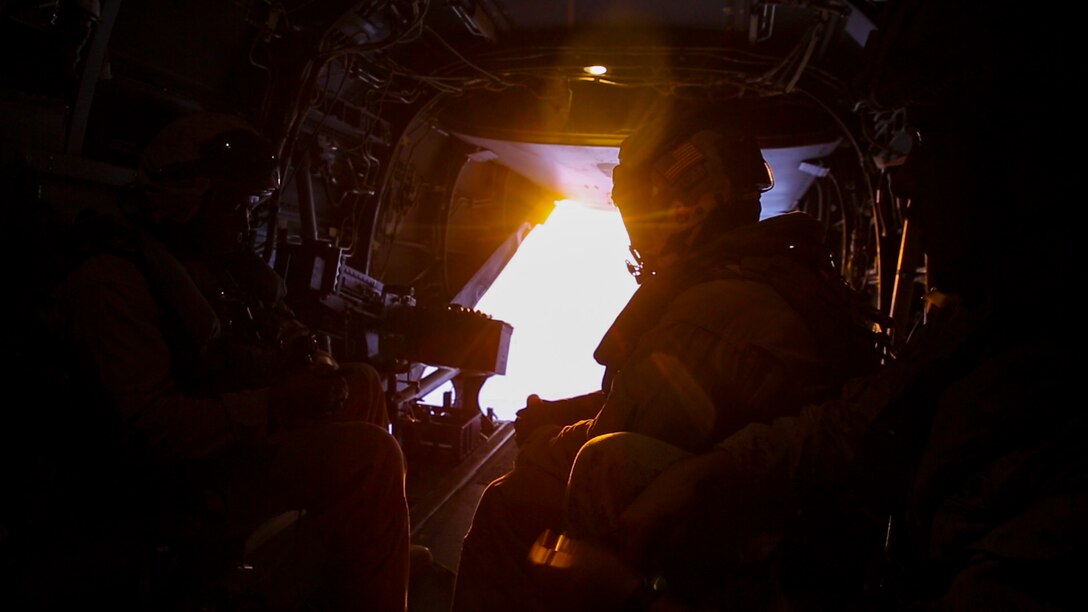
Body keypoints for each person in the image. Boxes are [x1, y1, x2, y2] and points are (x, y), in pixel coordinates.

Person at [526, 1, 1085, 610]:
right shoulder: (983, 335)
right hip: (850, 548)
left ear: (1025, 172)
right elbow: (845, 427)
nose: (905, 176)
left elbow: (637, 416)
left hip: (828, 566)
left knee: (556, 487)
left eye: (934, 141)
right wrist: (712, 475)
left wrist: (631, 598)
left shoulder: (1058, 443)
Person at [451, 100, 887, 611]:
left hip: (751, 552)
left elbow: (618, 435)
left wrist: (549, 436)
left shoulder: (708, 310)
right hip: (779, 524)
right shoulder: (767, 278)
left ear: (680, 208)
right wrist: (565, 409)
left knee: (509, 502)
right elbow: (678, 401)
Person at [8, 112, 413, 611]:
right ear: (184, 197)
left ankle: (365, 549)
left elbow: (280, 322)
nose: (243, 221)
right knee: (371, 458)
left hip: (231, 440)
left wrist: (312, 358)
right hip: (174, 482)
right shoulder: (112, 282)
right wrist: (275, 404)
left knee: (364, 382)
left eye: (248, 205)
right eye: (230, 205)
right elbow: (148, 428)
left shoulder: (219, 265)